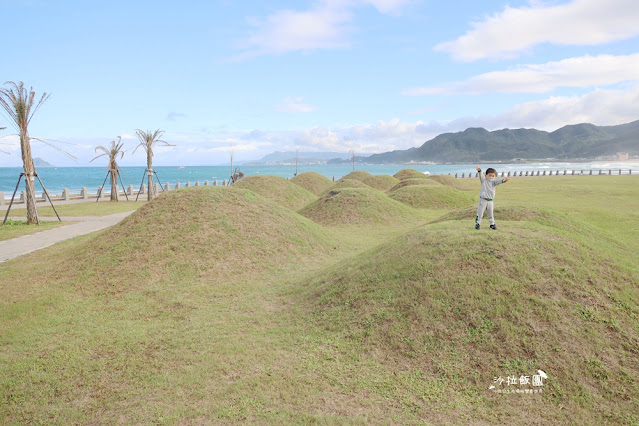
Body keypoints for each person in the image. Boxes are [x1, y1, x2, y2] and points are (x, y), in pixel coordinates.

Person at [475, 165, 509, 230]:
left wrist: (504, 180)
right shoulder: (484, 181)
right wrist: (479, 171)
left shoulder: (494, 182)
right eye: (489, 175)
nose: (491, 177)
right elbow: (481, 176)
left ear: (495, 177)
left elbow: (498, 181)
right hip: (483, 200)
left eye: (493, 176)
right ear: (486, 175)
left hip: (490, 201)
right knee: (480, 213)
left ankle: (492, 224)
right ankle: (478, 224)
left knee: (490, 214)